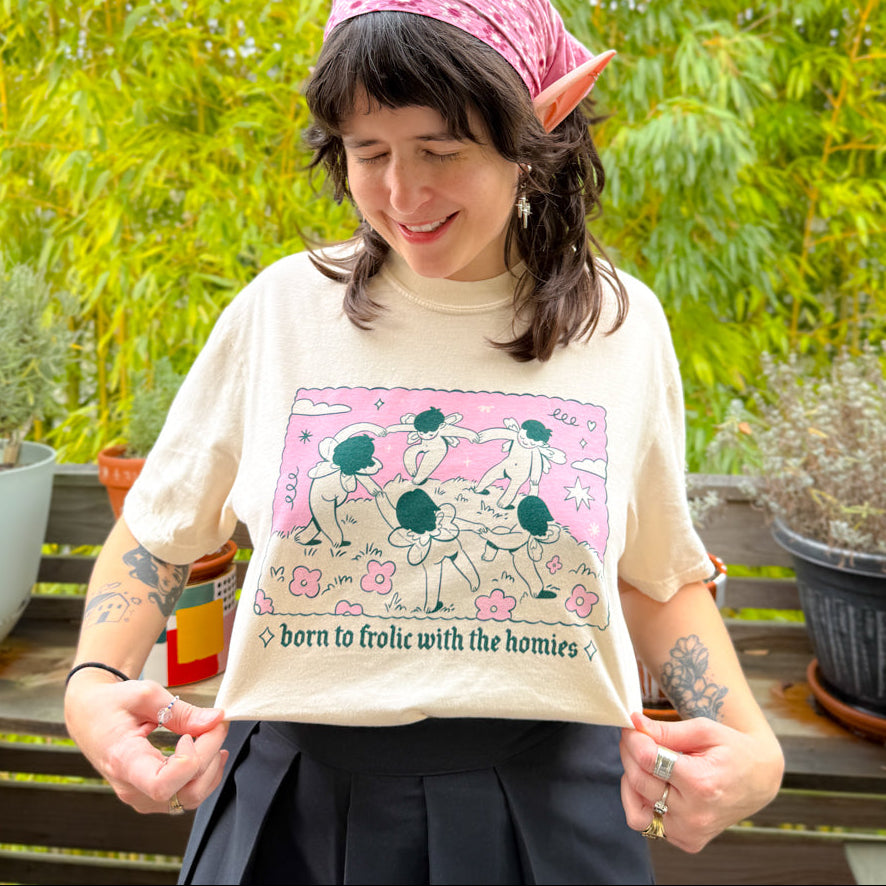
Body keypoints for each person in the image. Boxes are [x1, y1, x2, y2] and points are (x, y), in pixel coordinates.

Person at [64, 2, 784, 883]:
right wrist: (93, 685)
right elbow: (157, 532)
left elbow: (654, 572)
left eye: (441, 151)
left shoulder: (619, 325)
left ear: (536, 132)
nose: (402, 194)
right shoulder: (280, 311)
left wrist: (754, 747)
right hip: (289, 802)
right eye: (368, 153)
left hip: (547, 812)